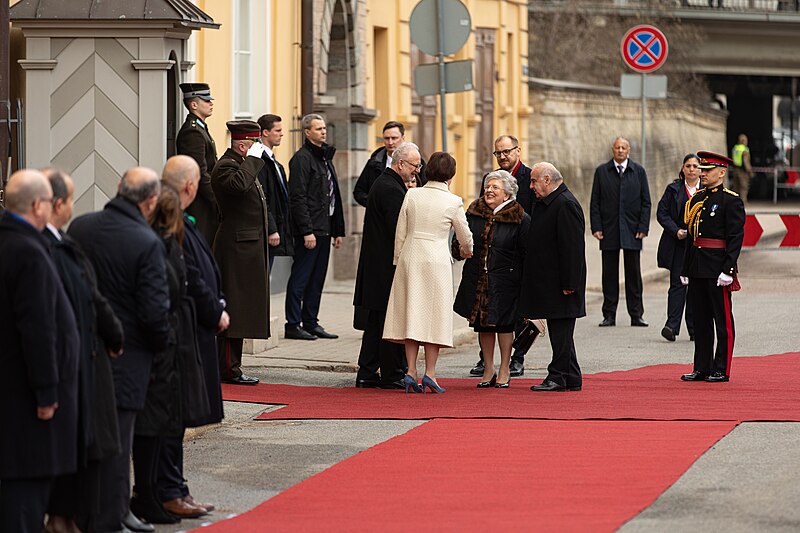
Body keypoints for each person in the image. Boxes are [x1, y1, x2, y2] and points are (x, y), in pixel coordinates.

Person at [69, 167, 171, 533]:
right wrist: (161, 350)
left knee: (87, 436)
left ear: (118, 189)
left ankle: (87, 512)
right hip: (129, 352)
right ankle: (109, 517)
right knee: (118, 438)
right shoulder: (145, 241)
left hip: (83, 347)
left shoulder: (81, 227)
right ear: (150, 202)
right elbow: (153, 311)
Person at [42, 169, 124, 533]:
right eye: (70, 199)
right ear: (55, 204)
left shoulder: (65, 239)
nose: (73, 207)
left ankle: (66, 516)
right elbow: (89, 298)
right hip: (73, 360)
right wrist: (114, 335)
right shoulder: (49, 247)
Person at [0, 170, 79, 533]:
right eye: (49, 201)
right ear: (36, 205)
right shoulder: (30, 251)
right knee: (26, 494)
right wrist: (47, 392)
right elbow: (39, 329)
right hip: (27, 395)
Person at [159, 155, 226, 517]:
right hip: (180, 333)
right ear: (190, 186)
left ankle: (174, 487)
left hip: (189, 329)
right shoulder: (169, 223)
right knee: (172, 416)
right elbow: (187, 276)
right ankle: (169, 489)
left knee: (176, 418)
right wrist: (215, 310)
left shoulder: (178, 219)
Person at [383, 152, 473, 394]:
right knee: (434, 317)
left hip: (410, 257)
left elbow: (400, 232)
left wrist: (398, 260)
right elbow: (464, 236)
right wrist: (466, 251)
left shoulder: (412, 194)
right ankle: (430, 373)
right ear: (451, 175)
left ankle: (410, 371)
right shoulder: (453, 201)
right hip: (436, 260)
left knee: (411, 314)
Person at [353, 142, 422, 389]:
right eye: (415, 166)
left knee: (377, 322)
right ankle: (390, 373)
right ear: (400, 163)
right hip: (385, 267)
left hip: (377, 265)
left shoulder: (387, 183)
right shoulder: (391, 188)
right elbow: (399, 231)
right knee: (390, 321)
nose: (418, 170)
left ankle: (368, 372)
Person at [454, 170, 530, 388]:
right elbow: (460, 245)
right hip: (478, 279)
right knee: (484, 327)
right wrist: (459, 249)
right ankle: (488, 369)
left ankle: (505, 368)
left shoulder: (520, 219)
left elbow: (527, 254)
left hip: (507, 281)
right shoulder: (474, 214)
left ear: (507, 194)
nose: (489, 190)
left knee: (505, 326)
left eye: (495, 187)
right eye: (488, 186)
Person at [470, 134, 535, 378]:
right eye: (498, 153)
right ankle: (485, 363)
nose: (502, 156)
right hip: (489, 261)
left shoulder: (530, 177)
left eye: (506, 151)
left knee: (511, 316)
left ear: (518, 150)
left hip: (514, 254)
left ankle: (515, 359)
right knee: (484, 316)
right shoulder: (490, 181)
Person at [211, 120, 268, 386]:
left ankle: (233, 366)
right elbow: (238, 186)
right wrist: (253, 161)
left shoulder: (239, 165)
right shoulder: (226, 167)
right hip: (235, 249)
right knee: (233, 307)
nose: (258, 149)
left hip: (246, 247)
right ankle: (226, 368)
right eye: (254, 144)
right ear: (243, 145)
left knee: (241, 310)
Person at [680, 151, 745, 383]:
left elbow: (735, 238)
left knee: (722, 319)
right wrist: (685, 269)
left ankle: (722, 368)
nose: (702, 173)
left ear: (721, 172)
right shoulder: (697, 199)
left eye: (707, 170)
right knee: (701, 319)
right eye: (701, 169)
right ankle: (702, 367)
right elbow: (691, 237)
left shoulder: (731, 200)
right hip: (698, 266)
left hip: (718, 268)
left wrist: (728, 270)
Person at [521, 162, 586, 392]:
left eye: (534, 181)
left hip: (563, 283)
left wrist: (570, 283)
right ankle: (572, 376)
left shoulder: (565, 204)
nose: (530, 187)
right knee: (561, 331)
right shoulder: (548, 202)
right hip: (551, 282)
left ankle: (557, 376)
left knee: (561, 332)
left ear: (547, 180)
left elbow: (572, 249)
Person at [285, 113, 345, 340]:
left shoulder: (324, 158)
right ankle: (293, 323)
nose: (323, 131)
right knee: (300, 278)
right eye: (318, 128)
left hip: (325, 229)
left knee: (317, 278)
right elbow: (298, 198)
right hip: (309, 231)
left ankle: (310, 322)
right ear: (306, 132)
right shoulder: (302, 159)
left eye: (324, 128)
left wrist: (337, 230)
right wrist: (306, 231)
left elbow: (333, 196)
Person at [590, 136, 651, 328]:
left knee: (633, 273)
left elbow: (646, 202)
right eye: (617, 147)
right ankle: (609, 315)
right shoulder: (602, 172)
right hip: (608, 229)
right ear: (612, 149)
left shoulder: (638, 171)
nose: (620, 150)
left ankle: (636, 314)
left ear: (629, 150)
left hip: (633, 230)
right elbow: (595, 202)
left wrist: (643, 227)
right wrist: (596, 227)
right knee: (609, 274)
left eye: (624, 148)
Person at [656, 154, 700, 342]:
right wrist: (676, 231)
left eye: (695, 166)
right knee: (677, 285)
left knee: (695, 288)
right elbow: (662, 213)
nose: (691, 169)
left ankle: (694, 329)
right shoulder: (673, 189)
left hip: (699, 248)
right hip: (679, 246)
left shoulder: (706, 191)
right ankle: (671, 327)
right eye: (688, 166)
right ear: (683, 168)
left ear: (700, 170)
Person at [177, 82, 219, 246]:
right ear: (194, 104)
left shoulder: (200, 128)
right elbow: (199, 173)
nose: (211, 103)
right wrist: (217, 200)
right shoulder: (192, 131)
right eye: (206, 100)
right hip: (200, 204)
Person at [353, 120, 426, 207]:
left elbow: (425, 188)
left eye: (394, 138)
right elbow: (359, 192)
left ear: (403, 138)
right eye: (387, 138)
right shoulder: (374, 162)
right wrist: (375, 203)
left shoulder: (416, 162)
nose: (390, 142)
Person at [257, 113, 294, 269]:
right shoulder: (260, 160)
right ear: (265, 132)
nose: (282, 134)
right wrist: (271, 228)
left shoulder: (274, 162)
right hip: (266, 230)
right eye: (277, 130)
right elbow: (262, 197)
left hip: (278, 226)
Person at [730, 133, 753, 202]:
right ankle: (743, 202)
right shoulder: (744, 149)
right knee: (744, 186)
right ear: (743, 141)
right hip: (742, 170)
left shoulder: (735, 148)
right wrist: (750, 171)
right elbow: (746, 161)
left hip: (735, 169)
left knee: (736, 187)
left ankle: (734, 202)